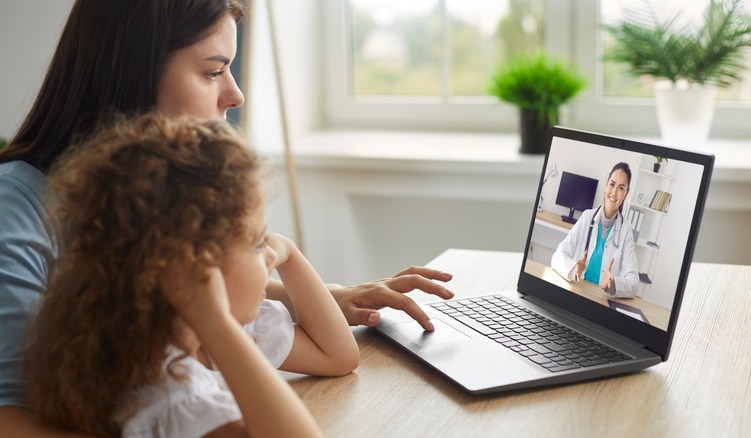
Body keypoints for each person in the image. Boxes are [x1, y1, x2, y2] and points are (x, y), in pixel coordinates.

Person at [0, 0, 453, 435]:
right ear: (131, 72)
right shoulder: (13, 211)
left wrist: (313, 295)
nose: (235, 95)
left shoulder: (158, 226)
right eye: (213, 71)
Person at [25, 113, 356, 436]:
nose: (271, 254)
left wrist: (291, 255)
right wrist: (217, 324)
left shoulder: (225, 336)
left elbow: (339, 357)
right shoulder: (172, 396)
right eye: (257, 244)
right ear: (194, 268)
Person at [551, 162, 639, 298]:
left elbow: (633, 282)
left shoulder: (626, 230)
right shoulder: (587, 217)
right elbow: (557, 256)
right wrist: (574, 268)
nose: (614, 192)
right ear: (606, 185)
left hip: (601, 299)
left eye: (621, 188)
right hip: (577, 292)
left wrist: (614, 283)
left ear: (626, 194)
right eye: (612, 184)